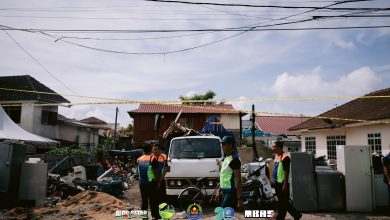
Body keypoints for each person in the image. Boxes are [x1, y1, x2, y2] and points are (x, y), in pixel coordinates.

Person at [272, 141, 302, 220]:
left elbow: (286, 171)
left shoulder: (285, 157)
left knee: (283, 202)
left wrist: (285, 184)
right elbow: (277, 169)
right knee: (284, 202)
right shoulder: (277, 156)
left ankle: (281, 217)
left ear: (278, 147)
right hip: (277, 182)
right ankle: (296, 215)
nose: (273, 148)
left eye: (274, 146)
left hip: (283, 183)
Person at [216, 136, 244, 211]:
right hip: (224, 192)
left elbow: (238, 180)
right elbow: (223, 176)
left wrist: (240, 199)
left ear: (230, 145)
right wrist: (218, 190)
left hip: (231, 193)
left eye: (224, 144)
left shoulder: (234, 159)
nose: (222, 146)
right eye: (222, 144)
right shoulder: (226, 158)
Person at [137, 143, 161, 220]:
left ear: (143, 150)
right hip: (151, 183)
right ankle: (154, 216)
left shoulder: (139, 159)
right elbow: (155, 171)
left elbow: (138, 172)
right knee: (153, 200)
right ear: (151, 149)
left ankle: (144, 217)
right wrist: (158, 181)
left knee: (144, 201)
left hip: (142, 183)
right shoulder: (152, 158)